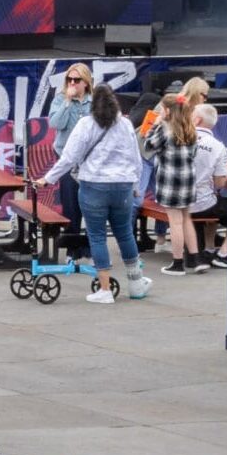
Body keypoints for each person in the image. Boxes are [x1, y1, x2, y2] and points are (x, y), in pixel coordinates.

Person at [40, 82, 151, 303]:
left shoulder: (85, 124)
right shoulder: (126, 124)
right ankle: (136, 283)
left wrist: (48, 178)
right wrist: (137, 187)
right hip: (123, 186)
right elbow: (135, 158)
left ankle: (105, 290)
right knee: (125, 234)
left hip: (93, 185)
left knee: (97, 236)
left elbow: (69, 158)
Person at [144, 93, 205, 275]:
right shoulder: (190, 129)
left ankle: (177, 262)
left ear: (168, 111)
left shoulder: (165, 129)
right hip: (188, 180)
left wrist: (154, 125)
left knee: (175, 222)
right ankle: (194, 259)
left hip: (170, 182)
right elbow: (193, 154)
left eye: (162, 109)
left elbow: (148, 146)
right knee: (186, 219)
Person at [46, 63, 93, 231]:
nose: (72, 83)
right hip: (65, 155)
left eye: (76, 79)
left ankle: (87, 247)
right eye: (69, 79)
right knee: (70, 202)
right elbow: (56, 123)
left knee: (89, 202)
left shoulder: (93, 102)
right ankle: (72, 248)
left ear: (86, 82)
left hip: (88, 158)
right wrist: (67, 101)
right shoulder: (60, 98)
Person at [187, 104, 227, 270]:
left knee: (218, 202)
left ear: (197, 120)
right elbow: (220, 184)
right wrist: (225, 169)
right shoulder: (217, 146)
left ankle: (209, 248)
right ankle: (224, 253)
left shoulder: (180, 138)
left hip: (177, 201)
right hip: (203, 203)